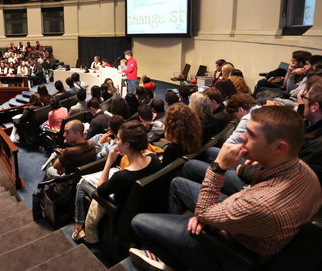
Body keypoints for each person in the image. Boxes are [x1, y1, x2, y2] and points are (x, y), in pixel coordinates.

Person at [129, 106, 321, 271]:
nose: (243, 137)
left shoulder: (263, 205)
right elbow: (248, 196)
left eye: (252, 135)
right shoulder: (304, 170)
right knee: (179, 184)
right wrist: (210, 215)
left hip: (228, 247)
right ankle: (179, 241)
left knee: (138, 221)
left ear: (280, 147)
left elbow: (213, 211)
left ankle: (172, 256)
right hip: (243, 219)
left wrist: (218, 167)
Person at [72, 120, 162, 242]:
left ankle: (85, 231)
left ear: (127, 144)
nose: (117, 142)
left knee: (82, 183)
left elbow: (101, 189)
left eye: (119, 139)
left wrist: (109, 162)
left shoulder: (122, 176)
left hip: (119, 208)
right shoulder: (154, 158)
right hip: (145, 206)